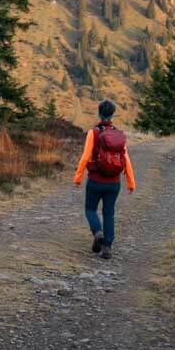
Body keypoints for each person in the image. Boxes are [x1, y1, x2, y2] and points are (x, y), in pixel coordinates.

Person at [73, 99, 136, 259]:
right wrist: (131, 181)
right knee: (109, 213)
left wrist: (78, 177)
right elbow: (126, 159)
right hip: (114, 182)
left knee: (90, 209)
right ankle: (107, 247)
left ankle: (97, 232)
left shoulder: (93, 132)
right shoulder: (119, 135)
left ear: (99, 113)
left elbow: (85, 157)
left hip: (95, 180)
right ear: (113, 114)